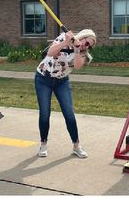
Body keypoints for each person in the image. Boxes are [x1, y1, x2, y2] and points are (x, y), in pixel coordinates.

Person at [34, 28, 96, 159]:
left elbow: (78, 66)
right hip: (43, 79)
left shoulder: (83, 53)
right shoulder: (64, 37)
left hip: (62, 81)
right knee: (45, 113)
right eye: (86, 41)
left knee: (69, 114)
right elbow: (50, 53)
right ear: (83, 36)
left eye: (89, 45)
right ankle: (43, 144)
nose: (87, 45)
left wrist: (78, 49)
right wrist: (66, 42)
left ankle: (76, 146)